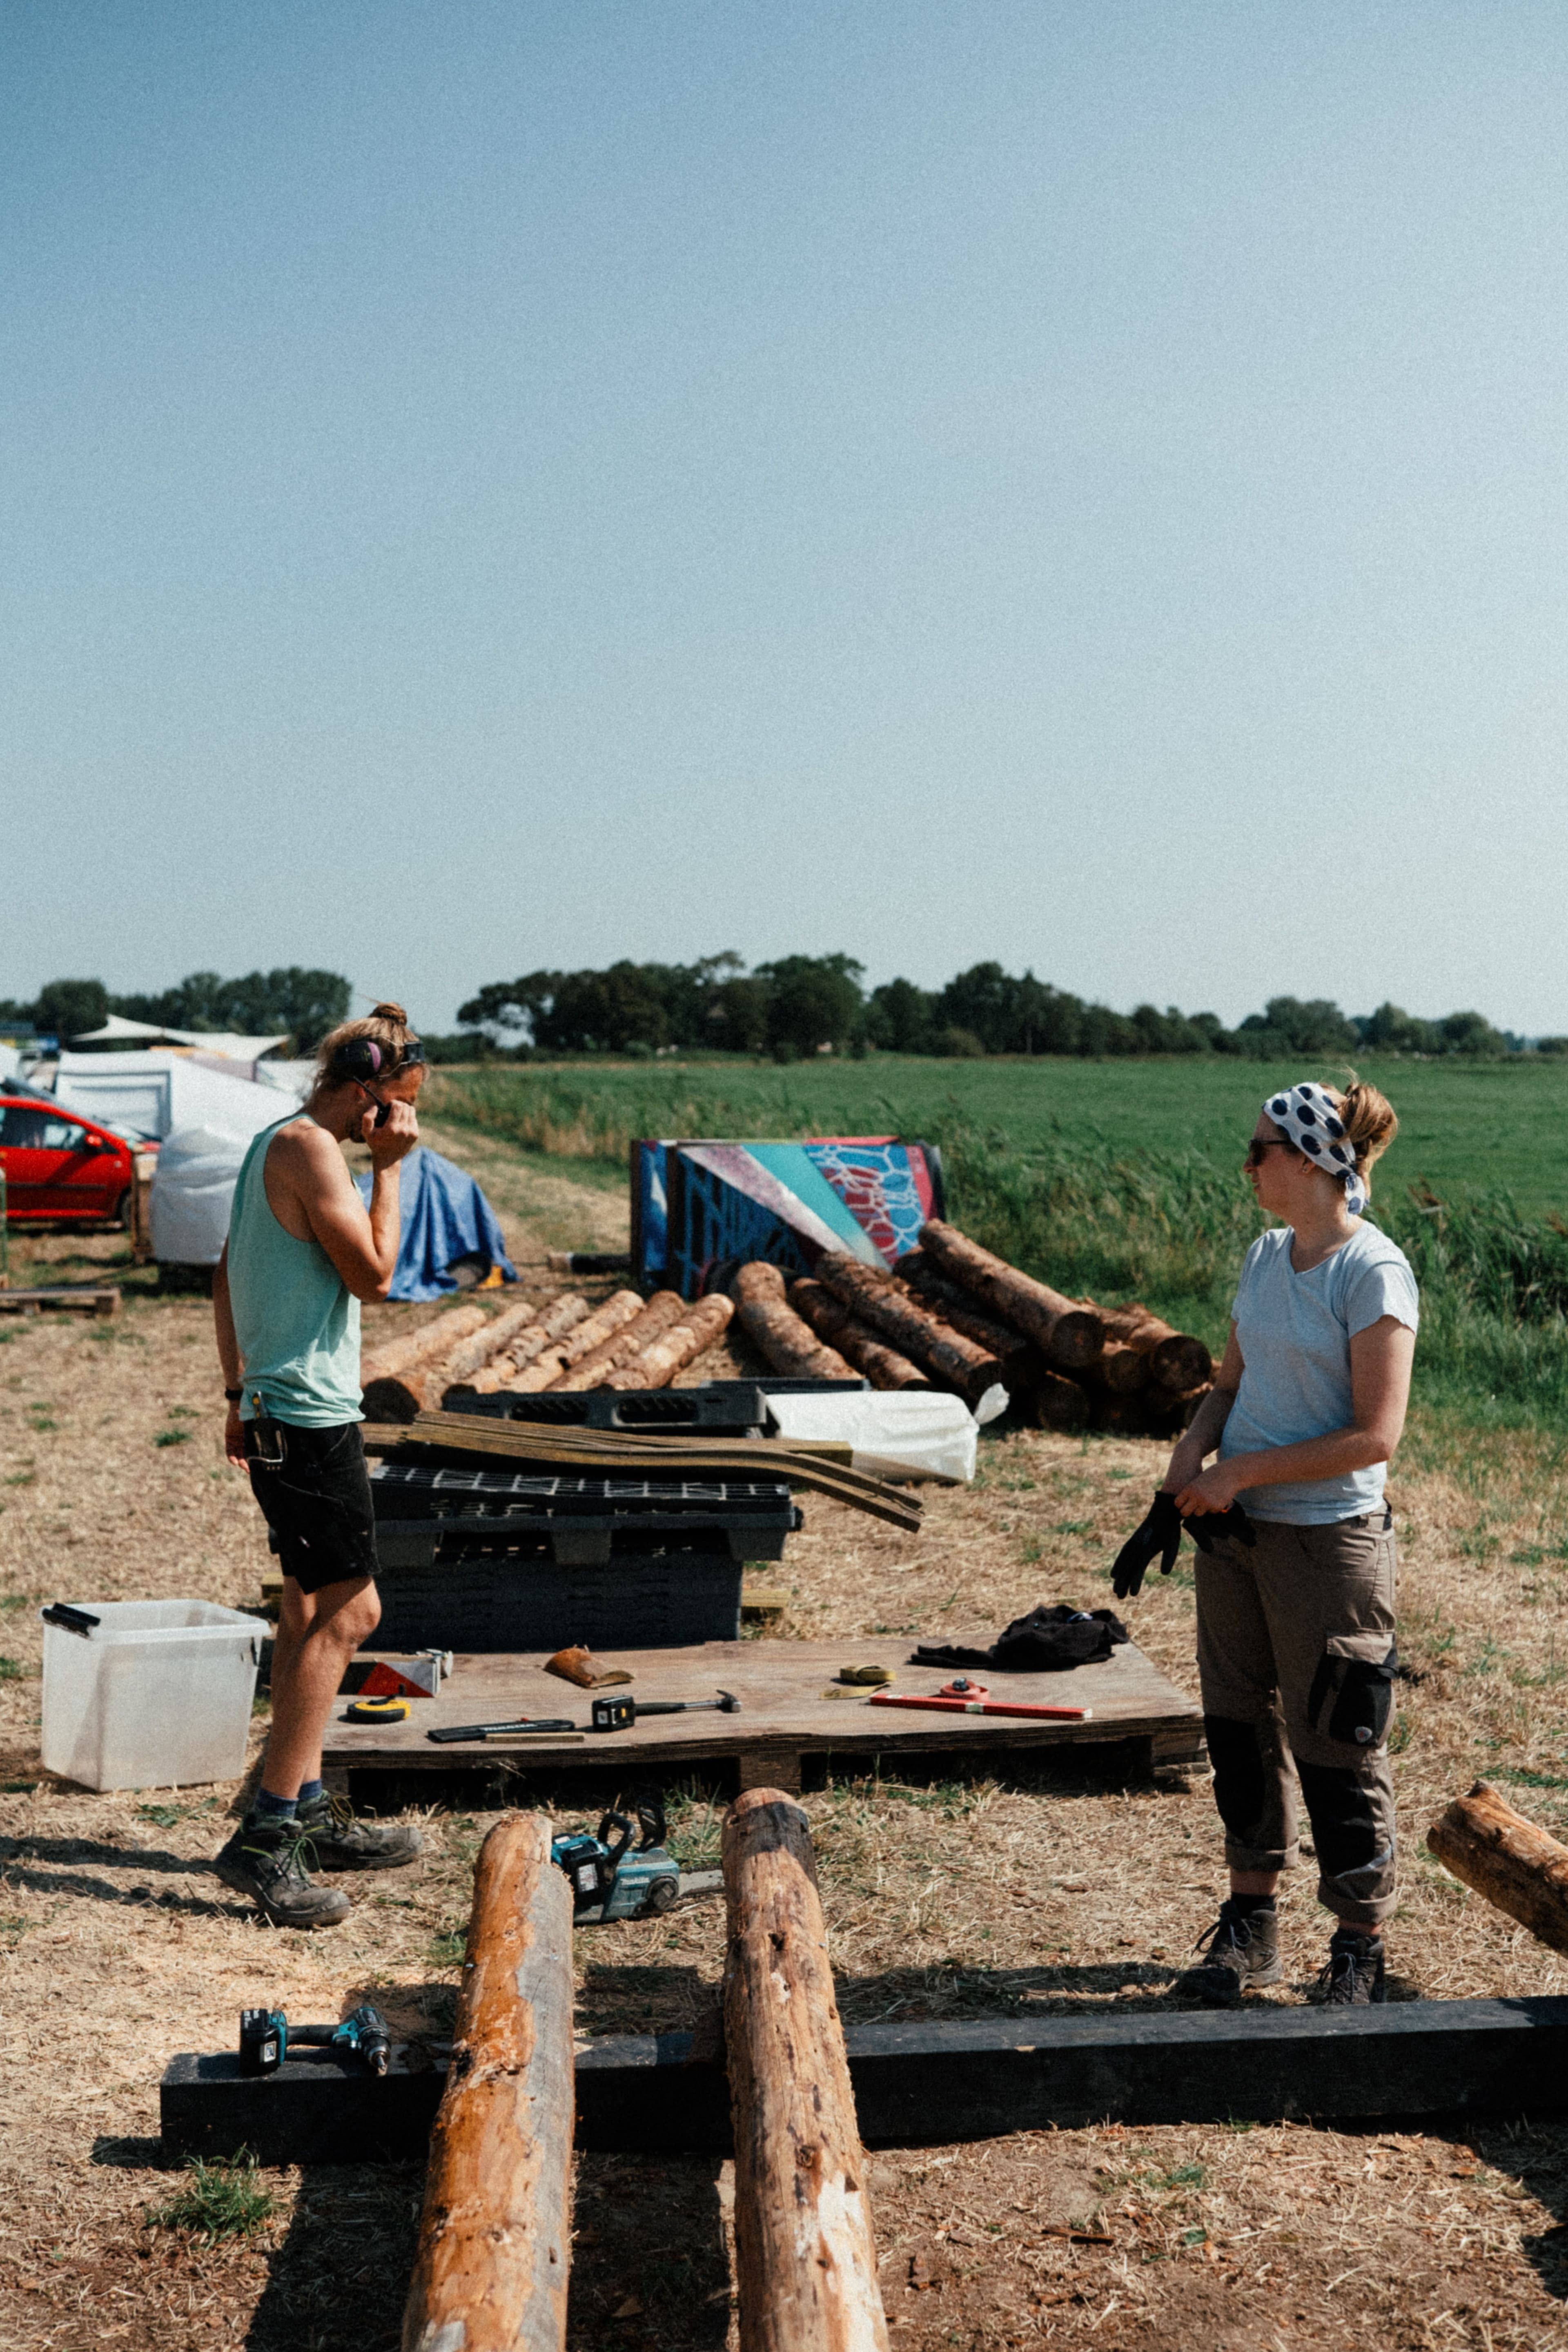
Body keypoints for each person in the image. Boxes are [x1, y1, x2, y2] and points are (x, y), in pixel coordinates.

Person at [1158, 1078, 1418, 2006]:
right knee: (1237, 1728)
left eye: (1263, 1148)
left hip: (1329, 1540)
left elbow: (1374, 1436)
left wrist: (1238, 1474)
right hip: (1239, 1537)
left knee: (1339, 1743)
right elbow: (1229, 1384)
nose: (1249, 1162)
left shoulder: (1372, 1272)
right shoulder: (1267, 1256)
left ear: (1314, 1161)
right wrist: (1189, 1457)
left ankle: (1359, 1945)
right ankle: (1250, 1927)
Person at [211, 1002, 429, 1927]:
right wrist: (390, 1174)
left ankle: (305, 1807)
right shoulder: (313, 1151)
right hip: (305, 1418)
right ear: (368, 1093)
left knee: (307, 1606)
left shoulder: (272, 1140)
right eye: (404, 1105)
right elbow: (375, 1275)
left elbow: (226, 1271)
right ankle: (265, 1840)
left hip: (278, 1410)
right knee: (353, 1610)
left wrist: (234, 1393)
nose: (409, 1122)